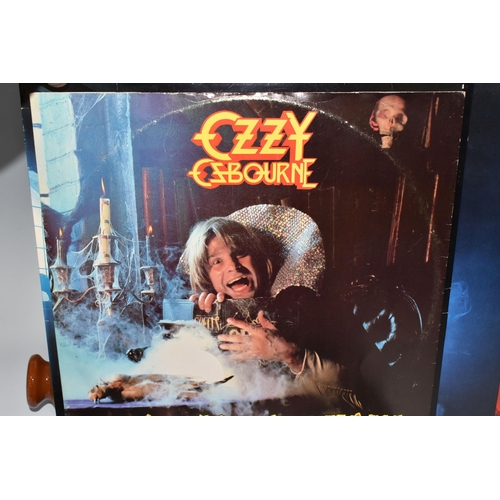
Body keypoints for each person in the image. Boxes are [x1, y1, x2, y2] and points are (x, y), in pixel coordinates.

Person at [178, 204, 364, 412]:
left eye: (240, 253)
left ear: (261, 261)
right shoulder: (204, 315)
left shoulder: (312, 311)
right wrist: (197, 325)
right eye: (217, 261)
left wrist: (291, 356)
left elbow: (359, 396)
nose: (233, 266)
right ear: (207, 277)